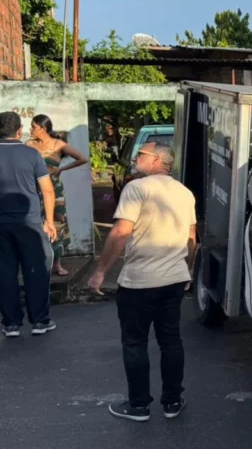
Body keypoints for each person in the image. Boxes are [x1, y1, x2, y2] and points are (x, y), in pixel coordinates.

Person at [88, 141, 197, 422]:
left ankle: (138, 406)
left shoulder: (136, 189)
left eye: (142, 155)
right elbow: (192, 239)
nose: (136, 158)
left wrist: (100, 271)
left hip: (140, 282)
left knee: (135, 343)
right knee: (170, 341)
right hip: (174, 280)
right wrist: (186, 270)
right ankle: (173, 402)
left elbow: (120, 233)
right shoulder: (185, 193)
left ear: (158, 159)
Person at [0, 111, 59, 338]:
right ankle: (40, 321)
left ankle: (11, 324)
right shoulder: (33, 155)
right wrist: (49, 222)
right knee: (36, 272)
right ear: (19, 131)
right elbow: (47, 190)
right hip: (30, 225)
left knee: (2, 274)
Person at [26, 114, 89, 276]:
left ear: (43, 128)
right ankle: (37, 262)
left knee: (57, 223)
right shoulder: (28, 145)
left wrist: (61, 169)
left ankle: (57, 264)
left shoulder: (58, 144)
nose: (30, 129)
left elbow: (82, 159)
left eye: (33, 126)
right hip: (33, 190)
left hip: (55, 190)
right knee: (35, 223)